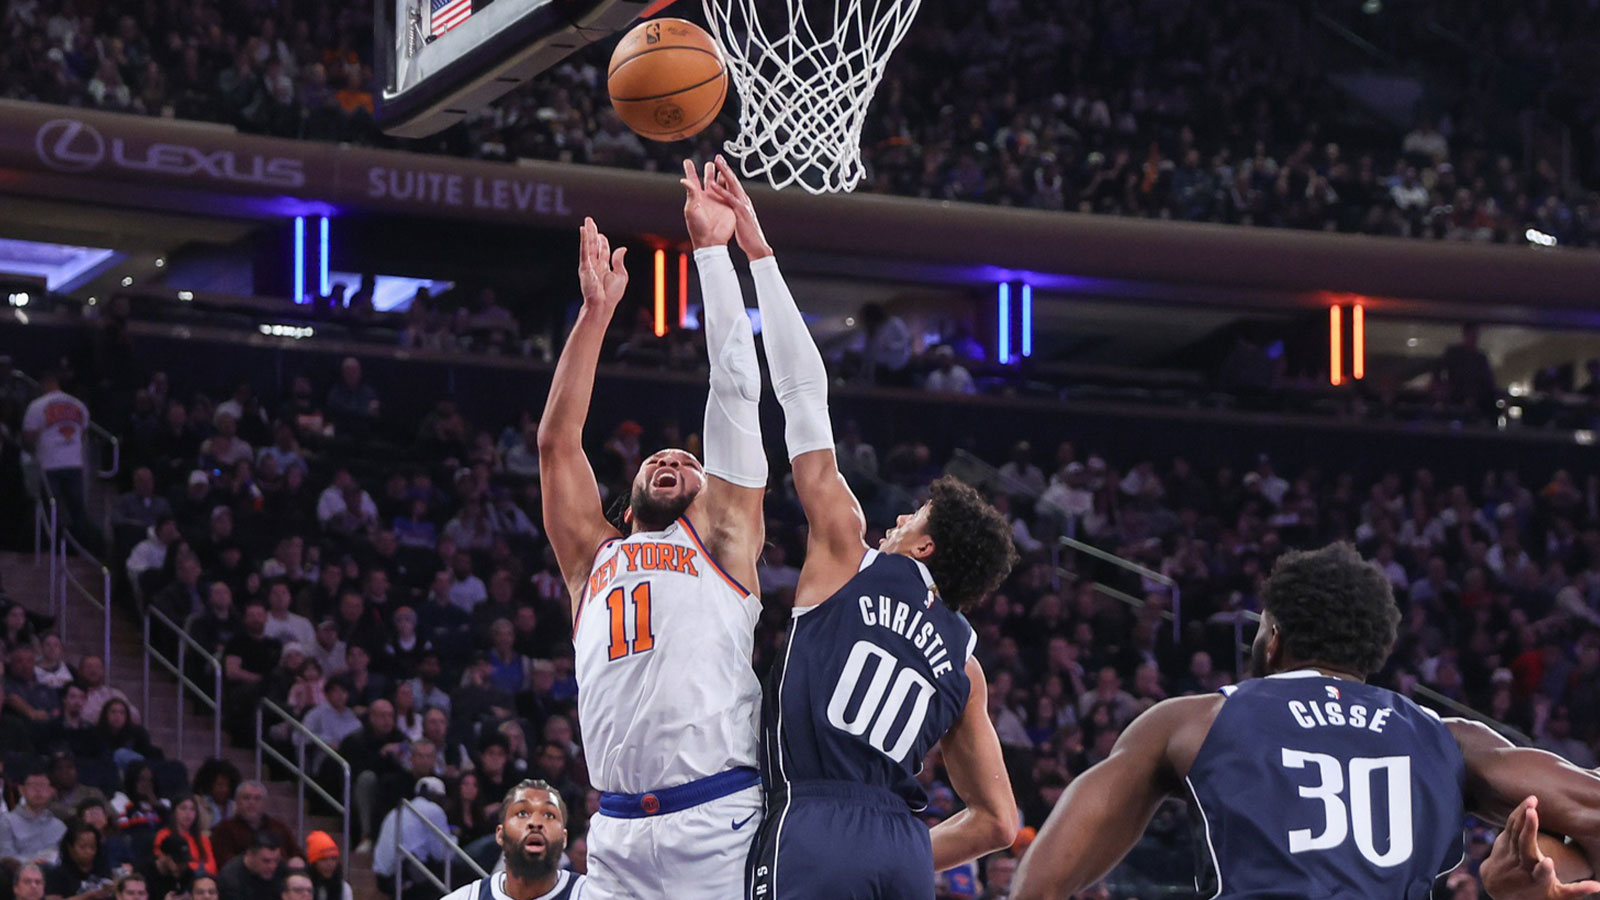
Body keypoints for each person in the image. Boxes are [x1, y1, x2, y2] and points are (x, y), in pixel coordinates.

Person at [703, 157, 1021, 898]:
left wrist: (758, 256)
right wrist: (903, 856)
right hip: (902, 852)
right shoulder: (965, 664)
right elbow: (998, 823)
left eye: (911, 517)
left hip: (812, 826)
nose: (896, 520)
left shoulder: (849, 552)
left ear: (925, 544)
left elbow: (803, 397)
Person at [1011, 543, 1600, 900]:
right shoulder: (1447, 737)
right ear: (1370, 655)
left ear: (1273, 639)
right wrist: (1549, 873)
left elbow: (1040, 884)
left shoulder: (1192, 721)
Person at [533, 172, 768, 899]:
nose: (670, 459)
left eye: (688, 462)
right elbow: (555, 444)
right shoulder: (591, 559)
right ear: (628, 494)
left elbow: (734, 390)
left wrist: (711, 256)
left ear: (710, 492)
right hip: (616, 828)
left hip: (717, 817)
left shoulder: (725, 541)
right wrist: (596, 312)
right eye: (658, 459)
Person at [439, 780, 586, 900]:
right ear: (500, 834)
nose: (535, 823)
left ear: (564, 838)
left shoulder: (590, 894)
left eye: (549, 815)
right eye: (522, 813)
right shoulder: (465, 897)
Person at [22, 370, 97, 553]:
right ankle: (80, 550)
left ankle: (52, 548)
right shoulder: (78, 405)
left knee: (50, 509)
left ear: (44, 383)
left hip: (49, 465)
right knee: (77, 509)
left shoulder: (37, 406)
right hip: (74, 464)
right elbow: (84, 435)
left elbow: (28, 438)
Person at [208, 782, 299, 869]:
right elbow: (224, 862)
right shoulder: (223, 830)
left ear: (265, 803)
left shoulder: (279, 827)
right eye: (246, 798)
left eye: (257, 798)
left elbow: (296, 853)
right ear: (237, 802)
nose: (252, 802)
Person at [0, 771, 67, 869]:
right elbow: (4, 857)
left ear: (52, 791)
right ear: (21, 790)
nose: (38, 790)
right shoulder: (6, 821)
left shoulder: (60, 826)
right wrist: (30, 862)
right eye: (33, 785)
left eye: (43, 785)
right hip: (16, 876)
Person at [216, 831, 286, 900]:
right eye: (266, 861)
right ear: (250, 855)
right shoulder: (230, 879)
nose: (272, 866)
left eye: (276, 860)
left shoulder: (280, 867)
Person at [302, 831, 351, 900]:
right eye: (323, 859)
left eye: (333, 858)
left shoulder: (344, 888)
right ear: (313, 863)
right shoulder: (301, 889)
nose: (329, 864)